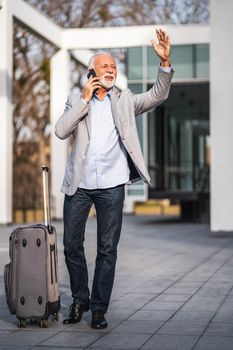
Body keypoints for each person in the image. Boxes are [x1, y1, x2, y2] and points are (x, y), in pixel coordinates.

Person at [55, 28, 174, 329]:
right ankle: (79, 299)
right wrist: (83, 101)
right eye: (105, 66)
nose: (111, 70)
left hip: (112, 185)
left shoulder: (124, 100)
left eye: (114, 67)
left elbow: (157, 95)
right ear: (91, 72)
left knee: (108, 249)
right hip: (79, 184)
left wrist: (164, 63)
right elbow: (60, 131)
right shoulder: (74, 97)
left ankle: (98, 309)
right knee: (71, 245)